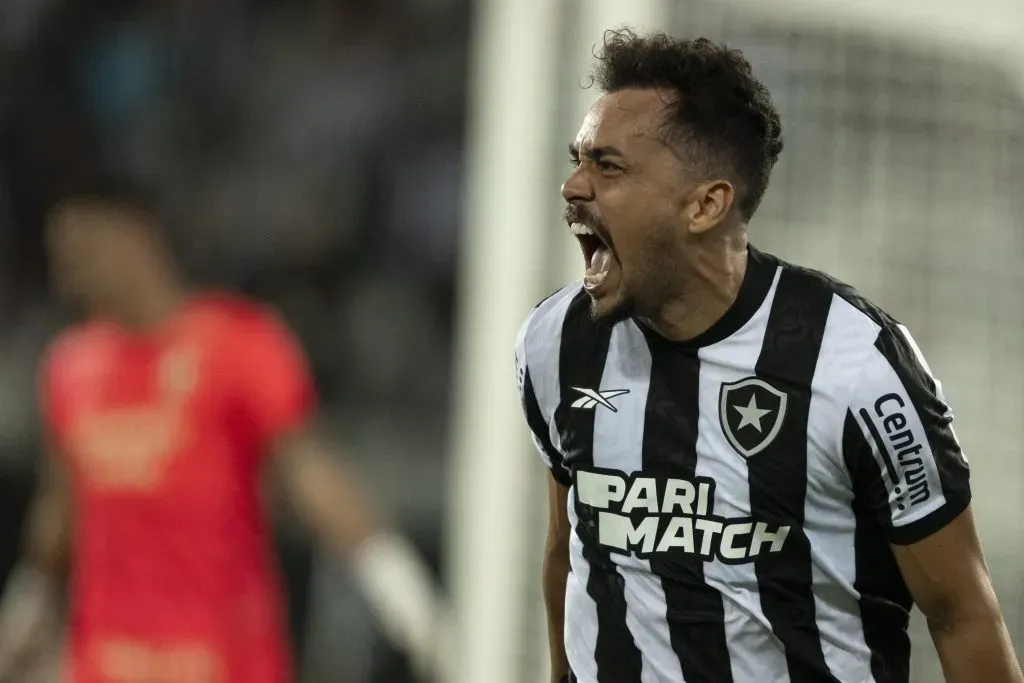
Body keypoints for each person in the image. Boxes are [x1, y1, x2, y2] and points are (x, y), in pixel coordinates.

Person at [515, 28, 1022, 683]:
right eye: (577, 158)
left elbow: (960, 612)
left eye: (606, 166)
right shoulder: (556, 342)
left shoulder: (854, 366)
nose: (572, 186)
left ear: (706, 204)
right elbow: (569, 547)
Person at [0, 176, 448, 683]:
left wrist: (393, 580)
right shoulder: (69, 367)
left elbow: (310, 473)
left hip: (222, 662)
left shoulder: (239, 346)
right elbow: (62, 500)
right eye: (61, 257)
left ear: (135, 234)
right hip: (108, 663)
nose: (69, 273)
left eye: (81, 249)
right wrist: (32, 593)